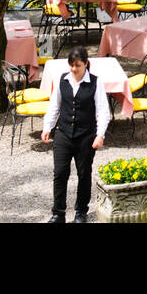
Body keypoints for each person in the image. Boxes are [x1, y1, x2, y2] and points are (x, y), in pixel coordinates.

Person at [41, 46, 110, 223]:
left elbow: (103, 111)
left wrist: (100, 134)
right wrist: (47, 127)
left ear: (86, 64)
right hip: (63, 133)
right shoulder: (61, 80)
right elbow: (54, 106)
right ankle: (58, 213)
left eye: (77, 65)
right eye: (71, 65)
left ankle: (81, 212)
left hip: (86, 135)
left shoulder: (96, 82)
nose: (73, 69)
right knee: (60, 173)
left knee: (84, 173)